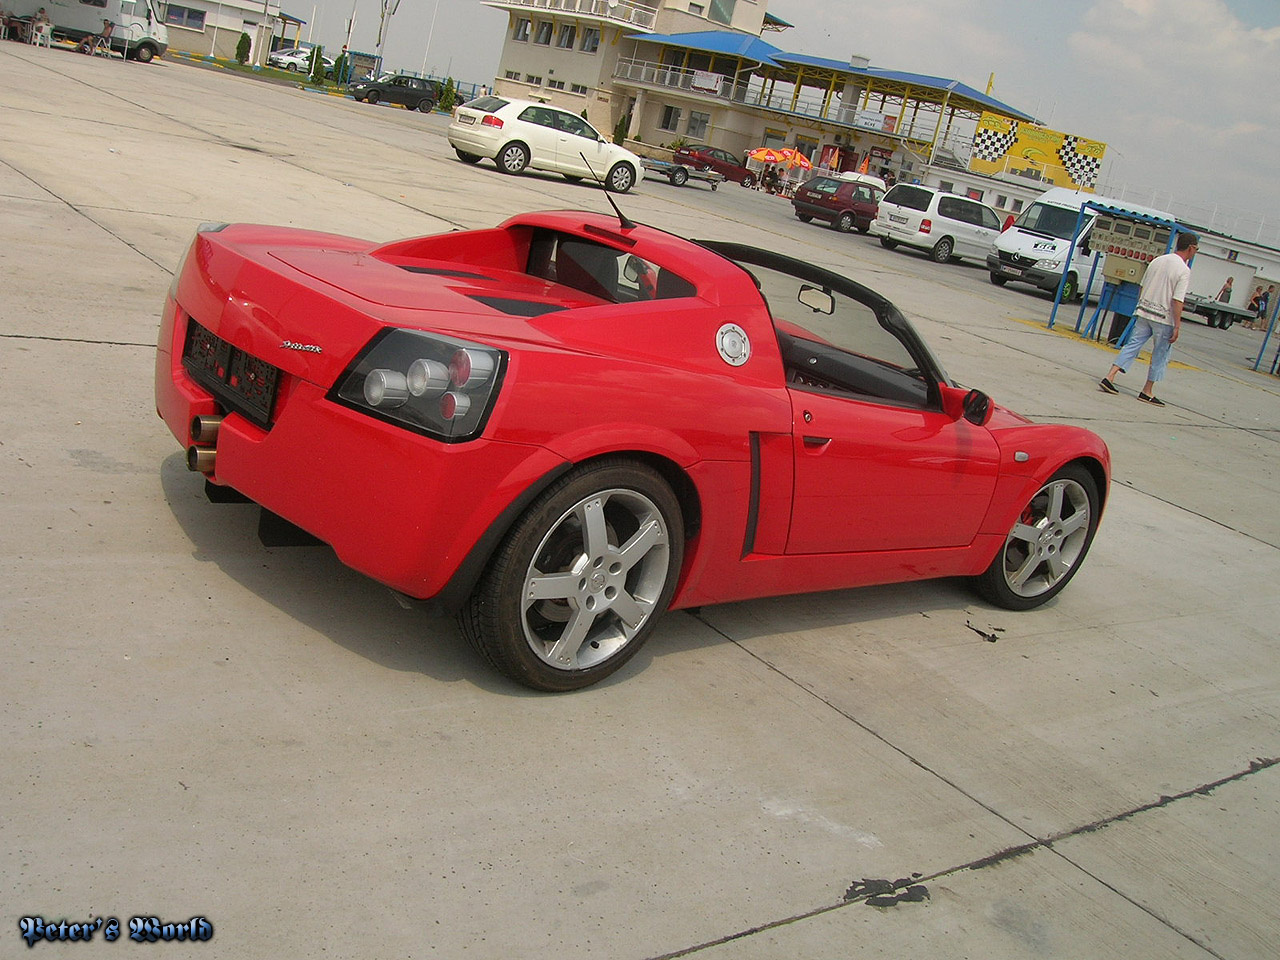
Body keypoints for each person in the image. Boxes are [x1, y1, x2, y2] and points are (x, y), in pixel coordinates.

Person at [1098, 231, 1198, 406]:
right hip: (1163, 318)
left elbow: (1142, 287)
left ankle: (1110, 376)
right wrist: (1177, 325)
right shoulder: (1183, 270)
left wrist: (1141, 305)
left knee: (1132, 344)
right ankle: (1147, 390)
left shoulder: (1157, 261)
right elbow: (1177, 300)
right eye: (1196, 249)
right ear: (1190, 248)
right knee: (1160, 354)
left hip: (1144, 311)